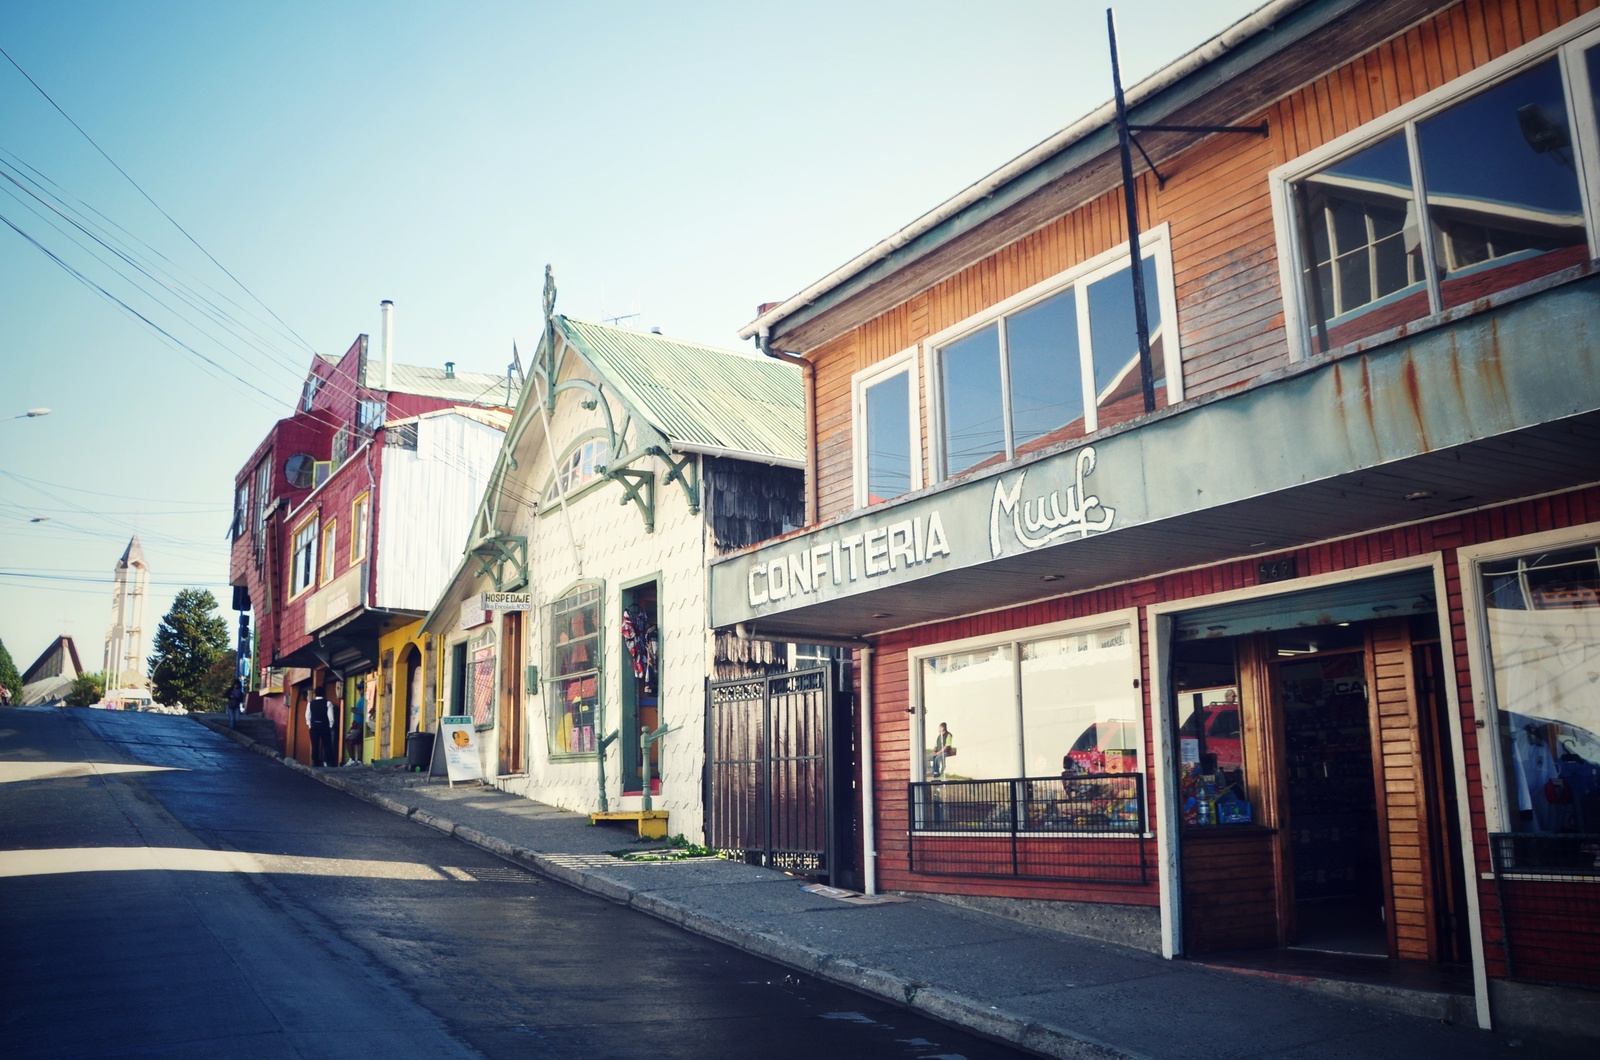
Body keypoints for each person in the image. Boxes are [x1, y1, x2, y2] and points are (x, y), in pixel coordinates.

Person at [306, 679, 338, 767]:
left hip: (314, 727)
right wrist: (330, 726)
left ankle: (315, 763)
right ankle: (328, 762)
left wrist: (310, 725)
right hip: (324, 727)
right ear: (324, 694)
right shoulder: (328, 703)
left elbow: (307, 716)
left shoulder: (310, 703)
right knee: (327, 745)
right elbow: (331, 717)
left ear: (315, 694)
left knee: (315, 745)